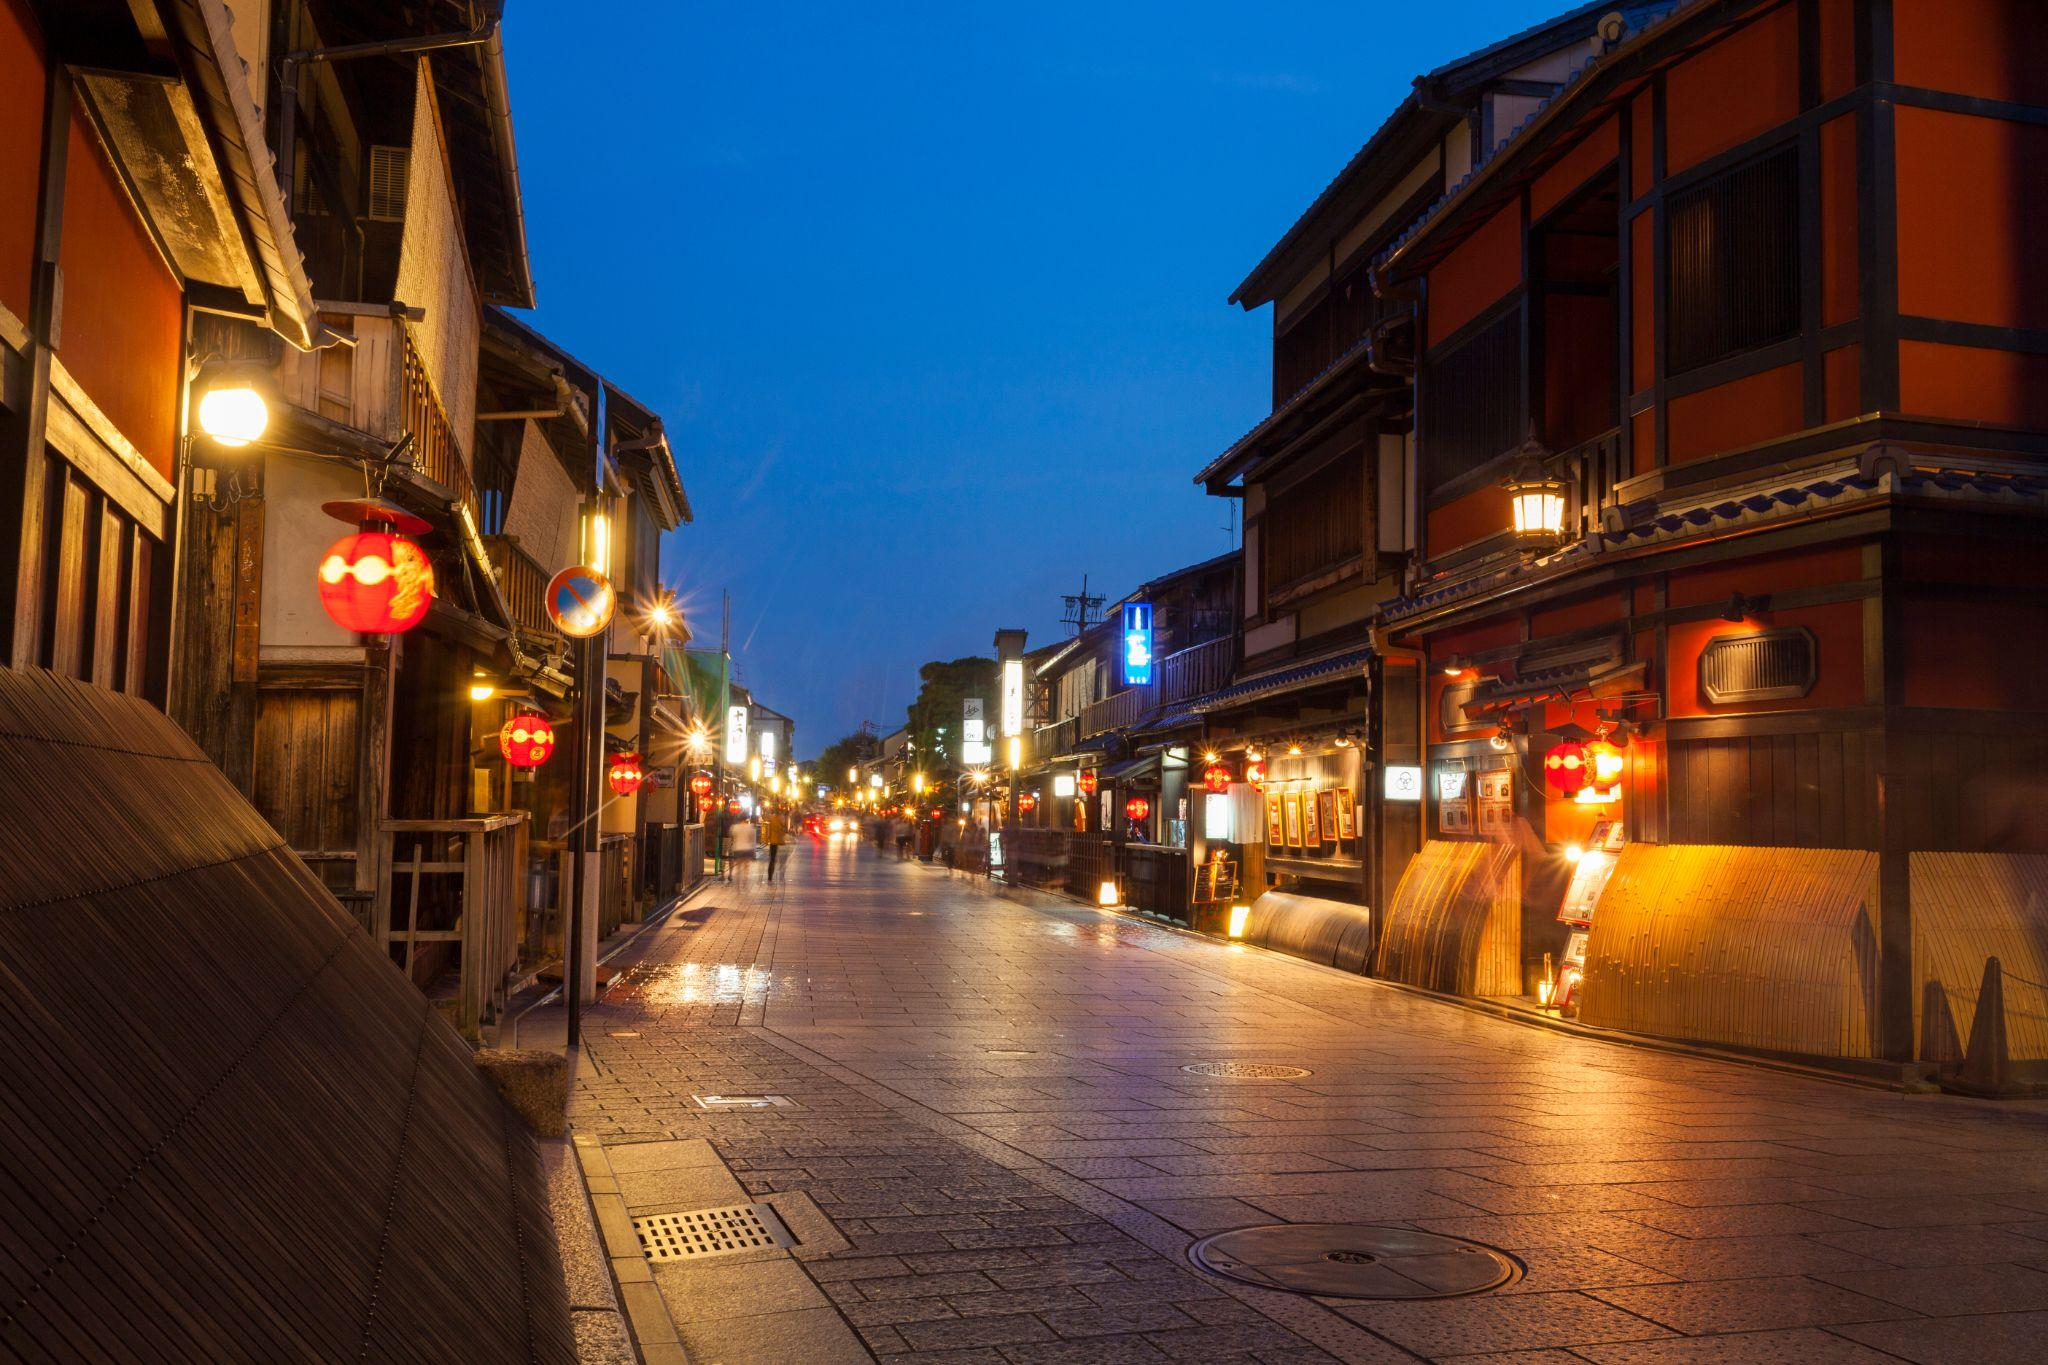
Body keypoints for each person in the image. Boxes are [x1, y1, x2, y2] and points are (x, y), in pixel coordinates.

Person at [762, 806, 788, 881]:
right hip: (780, 841)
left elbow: (769, 828)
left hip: (773, 841)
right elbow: (784, 830)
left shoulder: (772, 819)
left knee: (772, 860)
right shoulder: (782, 819)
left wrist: (767, 839)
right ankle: (781, 876)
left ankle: (770, 876)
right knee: (782, 861)